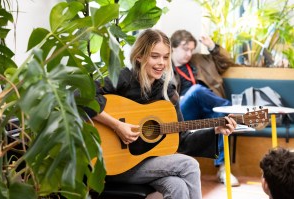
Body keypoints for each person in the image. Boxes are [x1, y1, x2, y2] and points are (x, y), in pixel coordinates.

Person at [84, 29, 237, 199]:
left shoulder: (168, 92)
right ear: (139, 56)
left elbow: (182, 140)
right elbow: (81, 96)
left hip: (147, 164)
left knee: (177, 186)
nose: (161, 63)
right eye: (155, 56)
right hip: (115, 163)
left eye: (165, 57)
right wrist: (117, 125)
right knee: (190, 164)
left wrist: (214, 130)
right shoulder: (123, 78)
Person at [170, 29, 240, 186]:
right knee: (196, 91)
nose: (189, 53)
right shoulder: (166, 68)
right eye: (184, 48)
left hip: (204, 111)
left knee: (221, 118)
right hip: (180, 112)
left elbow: (226, 63)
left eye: (191, 49)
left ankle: (223, 169)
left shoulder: (198, 61)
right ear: (173, 47)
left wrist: (211, 46)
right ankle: (234, 110)